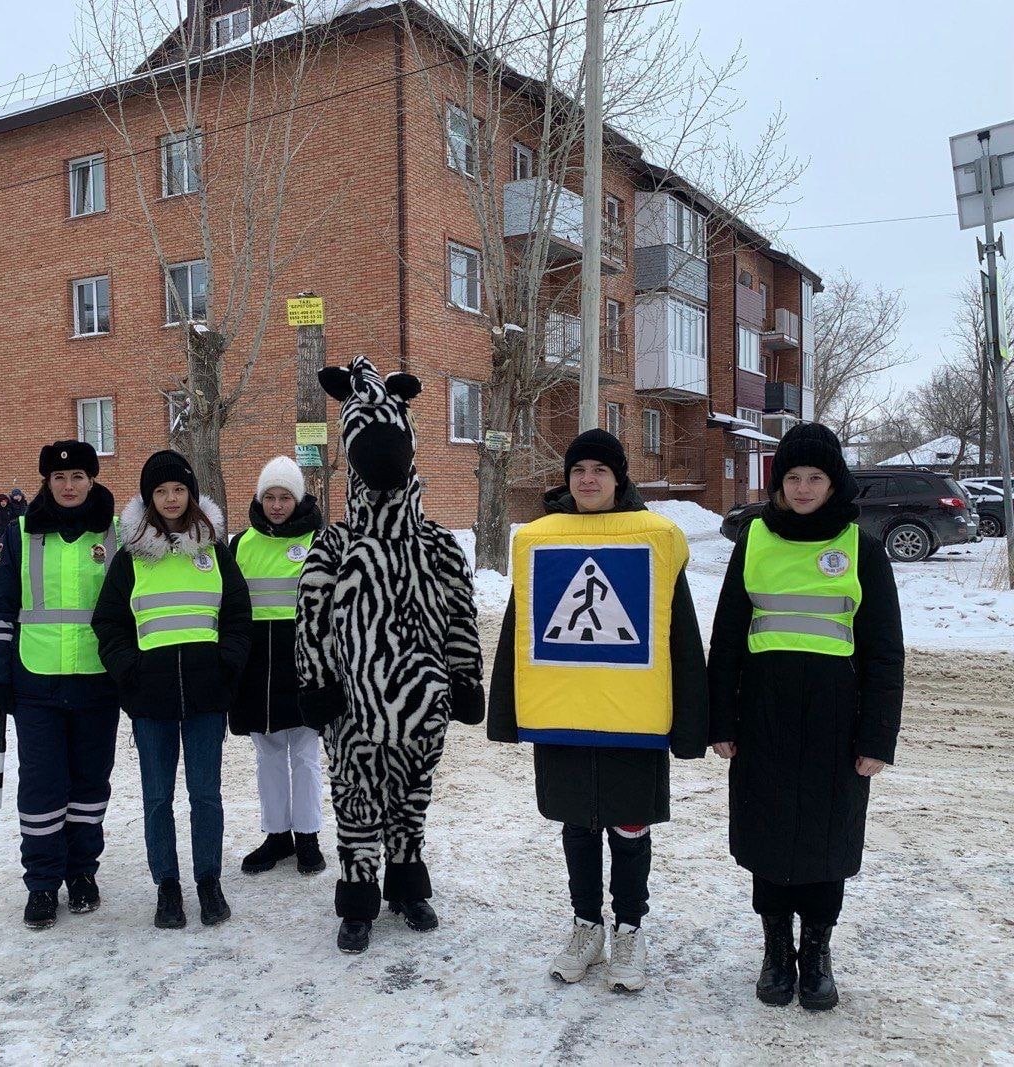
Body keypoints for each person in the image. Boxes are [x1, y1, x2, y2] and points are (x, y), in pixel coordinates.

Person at [487, 429, 709, 993]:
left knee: (629, 825)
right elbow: (520, 632)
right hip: (564, 713)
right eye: (579, 469)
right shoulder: (540, 542)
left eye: (600, 471)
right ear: (568, 479)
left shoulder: (655, 542)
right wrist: (507, 711)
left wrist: (692, 721)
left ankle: (630, 928)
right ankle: (587, 925)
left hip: (632, 719)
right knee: (577, 823)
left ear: (619, 479)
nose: (588, 480)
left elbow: (678, 634)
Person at [708, 422, 903, 1011]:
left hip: (835, 723)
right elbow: (727, 639)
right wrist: (722, 722)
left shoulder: (860, 546)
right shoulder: (754, 541)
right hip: (763, 716)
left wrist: (877, 737)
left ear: (832, 481)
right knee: (767, 834)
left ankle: (815, 952)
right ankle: (775, 951)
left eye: (814, 476)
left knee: (825, 837)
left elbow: (884, 651)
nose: (801, 487)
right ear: (778, 481)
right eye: (791, 476)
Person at [295, 356, 485, 955]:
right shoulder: (335, 544)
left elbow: (460, 613)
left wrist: (465, 672)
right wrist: (316, 680)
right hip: (352, 709)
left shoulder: (437, 545)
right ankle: (358, 895)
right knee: (355, 794)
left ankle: (406, 881)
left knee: (412, 795)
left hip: (423, 706)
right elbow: (313, 621)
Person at [92, 450, 252, 930]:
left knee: (206, 795)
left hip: (207, 698)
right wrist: (129, 671)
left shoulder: (214, 552)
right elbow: (109, 624)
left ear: (191, 494)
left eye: (178, 490)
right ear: (148, 497)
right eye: (160, 491)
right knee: (157, 798)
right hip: (150, 701)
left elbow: (239, 618)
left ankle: (209, 882)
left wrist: (227, 666)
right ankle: (167, 887)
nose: (170, 499)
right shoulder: (129, 558)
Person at [0, 441, 122, 930]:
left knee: (89, 786)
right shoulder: (21, 532)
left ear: (92, 480)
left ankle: (82, 873)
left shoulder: (115, 533)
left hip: (98, 683)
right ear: (47, 482)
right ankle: (42, 883)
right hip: (35, 682)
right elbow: (0, 610)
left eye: (79, 477)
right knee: (42, 788)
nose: (69, 486)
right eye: (60, 478)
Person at [229, 456, 327, 876]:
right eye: (269, 496)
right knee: (268, 755)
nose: (276, 504)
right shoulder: (240, 545)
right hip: (257, 667)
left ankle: (308, 837)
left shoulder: (321, 541)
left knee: (305, 753)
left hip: (304, 661)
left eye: (285, 496)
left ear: (298, 498)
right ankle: (276, 836)